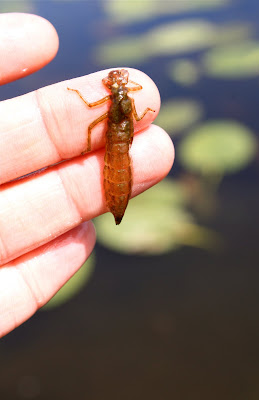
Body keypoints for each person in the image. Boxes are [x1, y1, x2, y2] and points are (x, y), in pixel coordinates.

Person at [0, 13, 174, 338]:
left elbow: (95, 123)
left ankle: (117, 203)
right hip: (121, 141)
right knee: (119, 165)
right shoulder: (128, 101)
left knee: (118, 166)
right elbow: (136, 114)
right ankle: (116, 203)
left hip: (116, 142)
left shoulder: (110, 101)